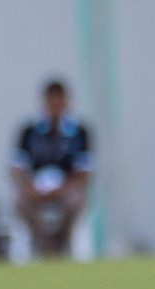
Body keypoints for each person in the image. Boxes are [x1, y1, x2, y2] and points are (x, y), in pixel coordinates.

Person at [8, 78, 95, 258]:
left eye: (59, 101)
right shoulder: (29, 132)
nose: (55, 105)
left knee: (76, 201)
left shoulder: (79, 132)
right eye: (51, 101)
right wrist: (28, 188)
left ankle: (60, 242)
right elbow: (16, 168)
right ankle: (45, 246)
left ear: (66, 102)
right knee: (19, 202)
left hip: (65, 189)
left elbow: (84, 172)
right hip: (35, 189)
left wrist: (61, 188)